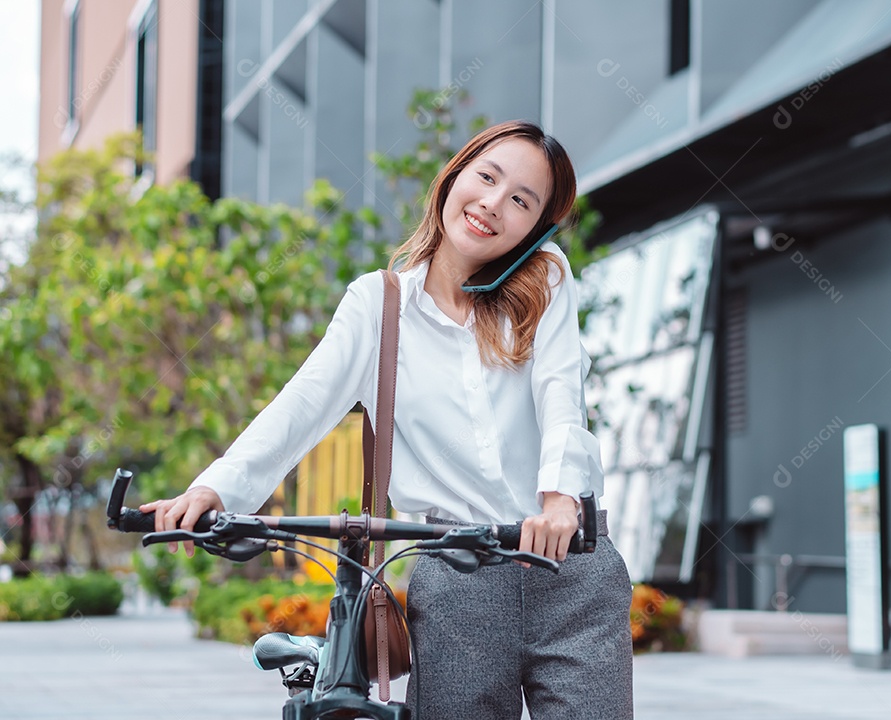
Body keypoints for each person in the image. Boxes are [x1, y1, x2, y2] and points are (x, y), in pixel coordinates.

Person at [141, 120, 634, 719]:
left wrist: (561, 501)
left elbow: (561, 393)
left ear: (535, 230)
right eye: (487, 177)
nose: (493, 204)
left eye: (521, 201)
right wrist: (214, 488)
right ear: (455, 175)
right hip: (460, 576)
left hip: (570, 568)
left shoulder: (546, 280)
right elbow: (301, 404)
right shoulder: (378, 305)